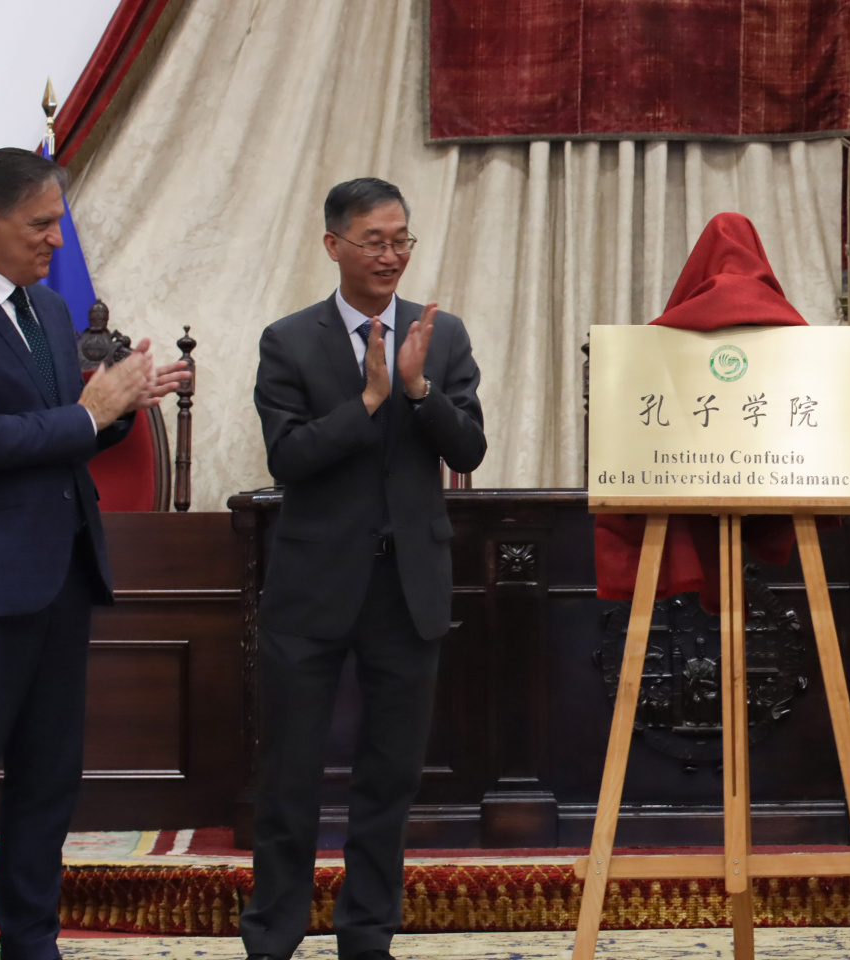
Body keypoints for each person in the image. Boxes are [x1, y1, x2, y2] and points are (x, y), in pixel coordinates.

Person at [0, 147, 187, 960]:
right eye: (41, 224)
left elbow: (60, 433)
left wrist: (119, 408)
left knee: (47, 781)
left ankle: (33, 941)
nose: (56, 241)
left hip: (62, 576)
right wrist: (87, 414)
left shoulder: (43, 307)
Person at [241, 178, 486, 960]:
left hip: (408, 588)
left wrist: (417, 390)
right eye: (374, 241)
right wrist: (370, 402)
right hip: (313, 587)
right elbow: (288, 458)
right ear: (334, 245)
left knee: (390, 778)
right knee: (289, 777)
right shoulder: (289, 341)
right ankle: (273, 935)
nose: (390, 255)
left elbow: (469, 448)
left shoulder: (441, 335)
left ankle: (367, 936)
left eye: (400, 240)